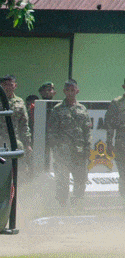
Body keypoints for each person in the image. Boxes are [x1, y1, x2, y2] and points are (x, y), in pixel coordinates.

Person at [46, 79, 92, 207]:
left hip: (80, 152)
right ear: (64, 91)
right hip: (63, 153)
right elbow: (52, 132)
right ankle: (62, 206)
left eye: (73, 90)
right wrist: (56, 149)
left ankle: (77, 205)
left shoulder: (82, 109)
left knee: (80, 179)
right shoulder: (57, 109)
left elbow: (87, 130)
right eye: (68, 90)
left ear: (77, 91)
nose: (70, 93)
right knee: (62, 181)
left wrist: (88, 148)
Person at [0, 75, 32, 152]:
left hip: (15, 141)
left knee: (18, 162)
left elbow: (24, 124)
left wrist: (27, 143)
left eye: (10, 85)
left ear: (15, 86)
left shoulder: (20, 102)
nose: (8, 88)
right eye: (5, 85)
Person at [104, 78, 125, 198]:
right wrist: (109, 142)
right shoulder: (117, 103)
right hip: (122, 140)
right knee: (123, 174)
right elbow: (110, 124)